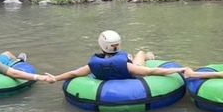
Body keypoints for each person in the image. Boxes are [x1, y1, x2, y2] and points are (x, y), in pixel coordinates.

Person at [47, 30, 184, 83]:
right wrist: (180, 70)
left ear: (101, 45)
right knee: (141, 53)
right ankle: (149, 56)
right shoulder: (127, 65)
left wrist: (55, 78)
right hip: (132, 70)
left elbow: (73, 73)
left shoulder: (93, 65)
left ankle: (146, 55)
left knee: (137, 56)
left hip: (106, 77)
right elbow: (151, 71)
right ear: (118, 45)